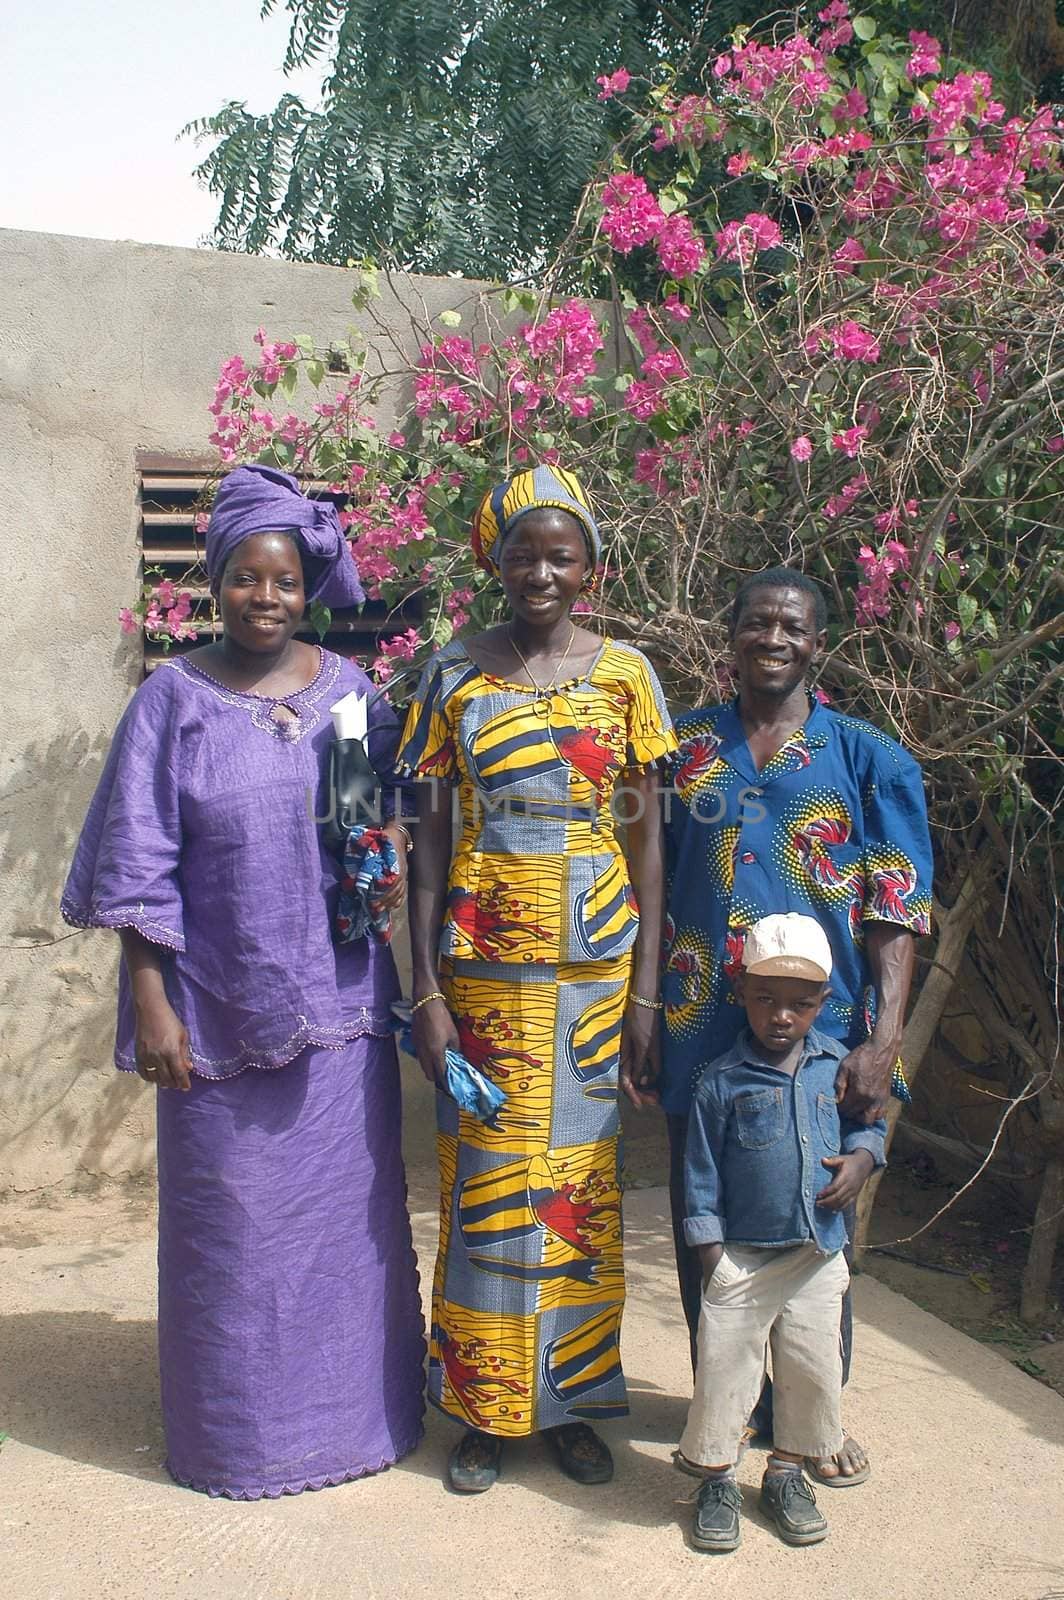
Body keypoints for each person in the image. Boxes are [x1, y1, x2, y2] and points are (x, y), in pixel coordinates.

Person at [61, 463, 426, 1498]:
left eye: (284, 581)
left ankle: (363, 1417)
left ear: (306, 589)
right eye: (245, 579)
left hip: (338, 1008)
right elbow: (137, 864)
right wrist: (151, 1002)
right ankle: (239, 1441)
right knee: (231, 1237)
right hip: (215, 1014)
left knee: (343, 1229)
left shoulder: (347, 697)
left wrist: (388, 846)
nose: (266, 598)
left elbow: (362, 832)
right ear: (212, 581)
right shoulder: (169, 702)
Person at [398, 465, 676, 1493]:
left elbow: (647, 839)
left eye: (560, 554)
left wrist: (646, 991)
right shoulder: (451, 673)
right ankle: (481, 1409)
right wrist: (422, 990)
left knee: (578, 1190)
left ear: (589, 567)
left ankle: (565, 1403)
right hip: (480, 974)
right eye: (523, 552)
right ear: (494, 560)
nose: (540, 571)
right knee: (484, 1185)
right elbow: (426, 839)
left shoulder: (626, 675)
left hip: (594, 973)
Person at [661, 566, 932, 1484]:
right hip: (703, 1030)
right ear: (729, 634)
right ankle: (723, 1410)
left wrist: (883, 1036)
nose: (774, 638)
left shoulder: (870, 758)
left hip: (826, 1041)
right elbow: (646, 882)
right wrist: (640, 1015)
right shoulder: (680, 752)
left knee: (821, 1220)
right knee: (709, 1224)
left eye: (794, 627)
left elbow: (896, 909)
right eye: (757, 624)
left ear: (819, 643)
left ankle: (811, 1419)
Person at [677, 913, 886, 1552]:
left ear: (824, 1002)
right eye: (765, 999)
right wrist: (712, 1255)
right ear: (740, 991)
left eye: (800, 1004)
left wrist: (863, 1159)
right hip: (742, 1255)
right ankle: (715, 1481)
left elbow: (867, 1127)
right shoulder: (721, 1081)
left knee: (811, 1367)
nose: (780, 1017)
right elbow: (700, 1174)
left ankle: (788, 1474)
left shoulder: (838, 1070)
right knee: (725, 1371)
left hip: (819, 1253)